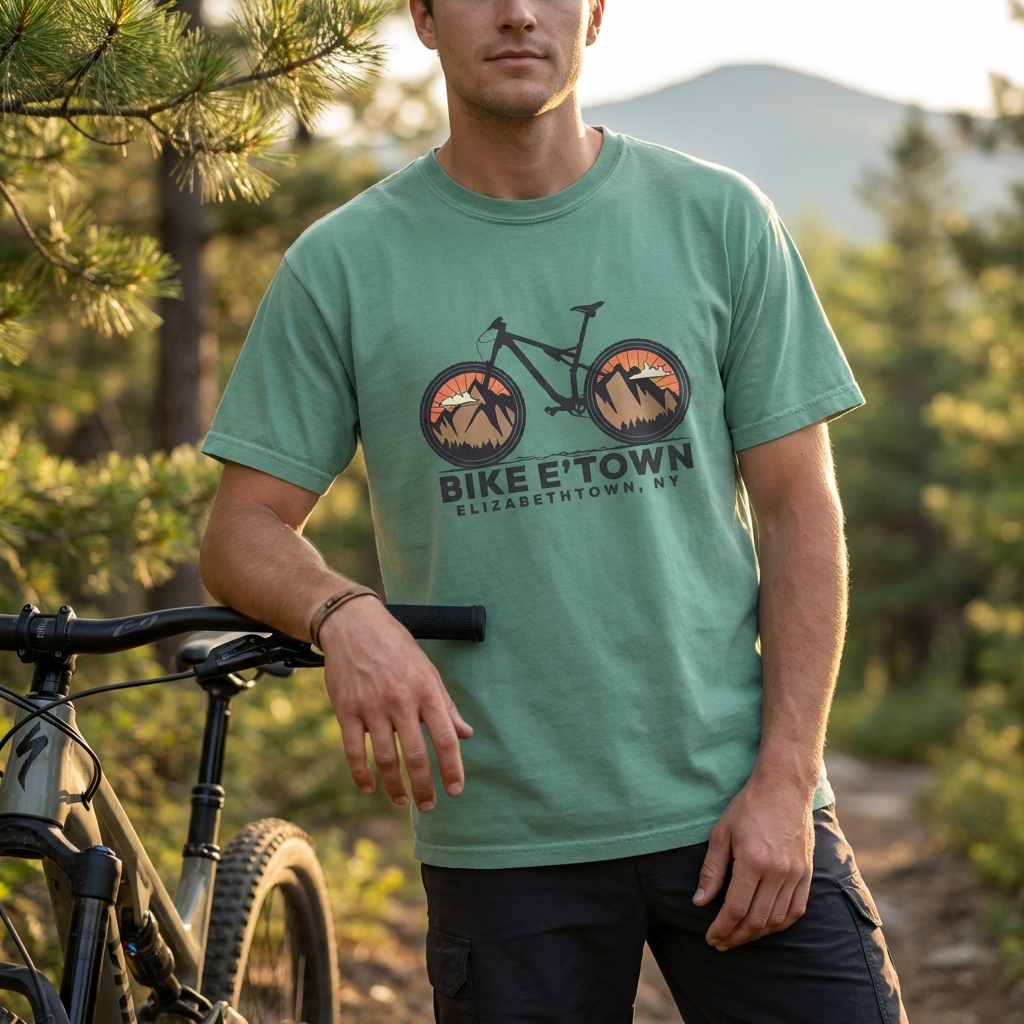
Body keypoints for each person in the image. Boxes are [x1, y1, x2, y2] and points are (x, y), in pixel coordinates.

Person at [198, 1, 908, 1021]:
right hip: (504, 842)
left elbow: (800, 510)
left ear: (596, 13)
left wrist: (788, 780)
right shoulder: (344, 262)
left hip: (735, 799)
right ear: (423, 18)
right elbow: (241, 530)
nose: (519, 13)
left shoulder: (718, 218)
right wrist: (344, 612)